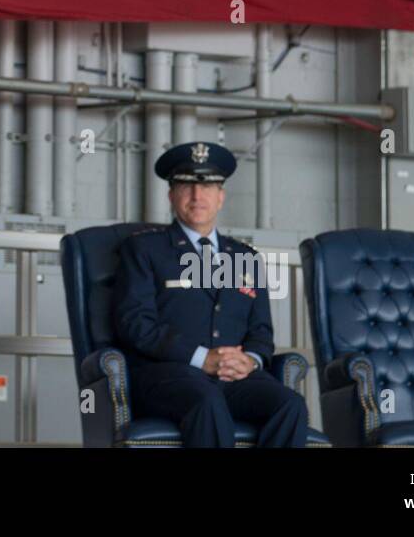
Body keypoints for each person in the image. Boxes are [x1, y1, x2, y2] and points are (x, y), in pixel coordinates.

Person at [112, 141, 309, 447]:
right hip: (169, 376)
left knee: (291, 405)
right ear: (171, 195)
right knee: (207, 400)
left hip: (235, 378)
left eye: (207, 187)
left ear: (221, 197)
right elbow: (135, 324)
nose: (197, 196)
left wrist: (251, 360)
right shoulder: (144, 249)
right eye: (186, 186)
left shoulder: (245, 257)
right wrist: (201, 358)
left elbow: (261, 331)